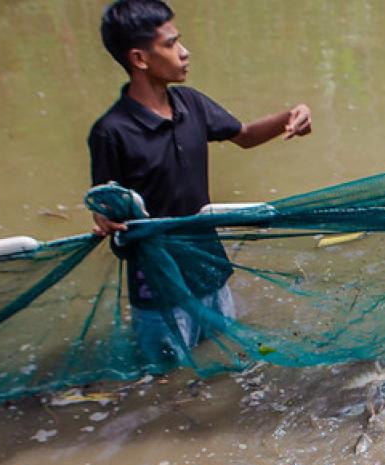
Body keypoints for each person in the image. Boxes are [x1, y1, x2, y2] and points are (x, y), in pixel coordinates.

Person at [87, 0, 312, 364]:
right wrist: (103, 220)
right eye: (171, 44)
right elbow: (106, 206)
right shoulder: (112, 132)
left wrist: (291, 115)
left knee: (226, 358)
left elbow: (245, 135)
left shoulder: (190, 104)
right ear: (140, 59)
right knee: (166, 377)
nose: (184, 52)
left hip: (209, 268)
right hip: (159, 285)